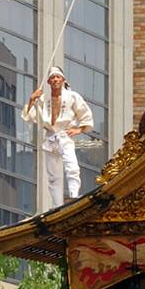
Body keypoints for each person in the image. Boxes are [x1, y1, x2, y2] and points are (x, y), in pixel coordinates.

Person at [22, 68, 94, 206]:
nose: (55, 80)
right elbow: (31, 116)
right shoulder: (43, 99)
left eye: (58, 77)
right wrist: (32, 99)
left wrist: (79, 129)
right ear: (48, 82)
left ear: (63, 80)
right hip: (50, 136)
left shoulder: (72, 96)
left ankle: (73, 195)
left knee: (71, 166)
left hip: (64, 135)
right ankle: (57, 205)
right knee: (53, 176)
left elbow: (86, 114)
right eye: (53, 78)